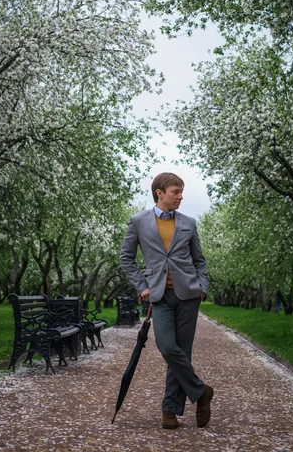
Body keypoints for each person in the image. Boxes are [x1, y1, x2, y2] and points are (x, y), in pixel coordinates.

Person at [120, 172, 213, 429]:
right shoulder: (139, 222)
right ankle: (201, 391)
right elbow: (125, 258)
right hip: (159, 296)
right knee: (167, 346)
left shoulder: (189, 223)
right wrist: (142, 287)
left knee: (181, 352)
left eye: (182, 192)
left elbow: (199, 261)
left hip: (188, 294)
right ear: (159, 192)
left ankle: (169, 411)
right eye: (176, 192)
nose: (180, 196)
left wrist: (202, 288)